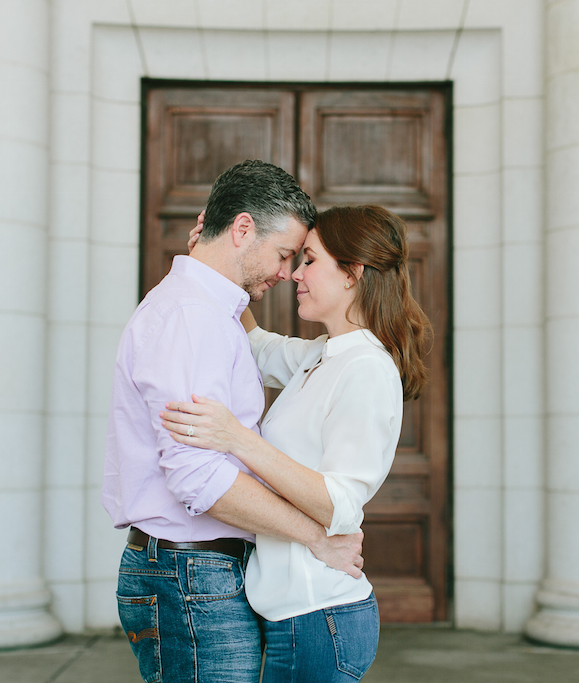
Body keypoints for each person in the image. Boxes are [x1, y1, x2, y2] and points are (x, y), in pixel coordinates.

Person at [101, 160, 364, 683]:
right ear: (243, 229)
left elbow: (259, 342)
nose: (289, 272)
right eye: (286, 254)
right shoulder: (191, 317)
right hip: (190, 576)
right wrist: (315, 536)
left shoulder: (204, 309)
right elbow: (198, 477)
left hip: (198, 573)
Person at [161, 204, 433, 682]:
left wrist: (236, 438)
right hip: (292, 617)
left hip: (319, 619)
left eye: (309, 260)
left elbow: (341, 504)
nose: (295, 275)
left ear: (353, 273)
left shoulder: (366, 369)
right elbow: (258, 344)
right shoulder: (323, 356)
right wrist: (213, 262)